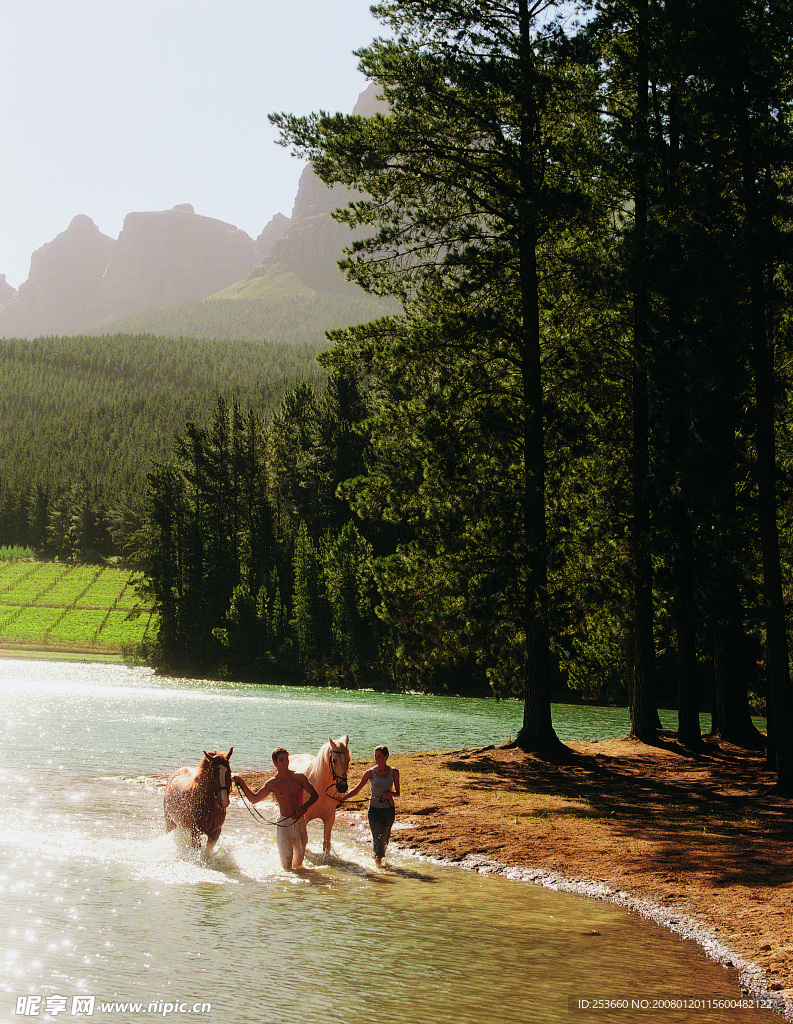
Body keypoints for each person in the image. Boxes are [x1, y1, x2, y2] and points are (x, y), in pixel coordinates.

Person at [233, 747, 318, 869]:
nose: (285, 762)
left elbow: (315, 795)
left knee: (299, 863)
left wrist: (305, 806)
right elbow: (254, 799)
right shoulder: (272, 783)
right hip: (284, 824)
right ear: (275, 763)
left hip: (300, 822)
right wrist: (242, 784)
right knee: (287, 863)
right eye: (281, 760)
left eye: (286, 759)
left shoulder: (299, 777)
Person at [340, 745, 400, 866]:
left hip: (389, 810)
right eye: (375, 757)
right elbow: (356, 790)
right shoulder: (370, 773)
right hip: (374, 810)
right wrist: (342, 799)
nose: (376, 759)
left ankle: (379, 858)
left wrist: (389, 793)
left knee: (385, 837)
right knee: (377, 837)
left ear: (386, 757)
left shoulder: (394, 772)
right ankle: (378, 862)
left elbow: (398, 793)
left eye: (379, 757)